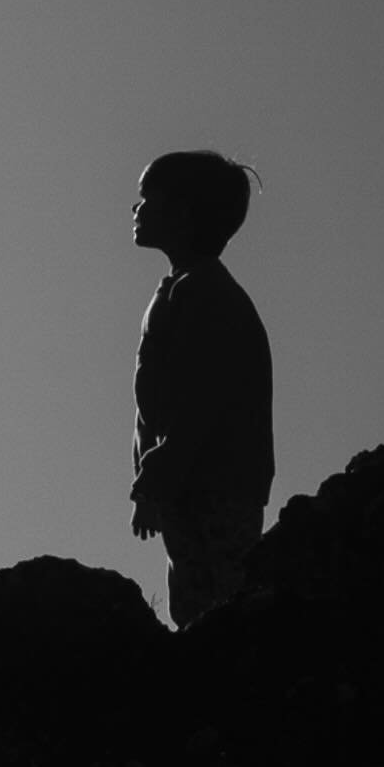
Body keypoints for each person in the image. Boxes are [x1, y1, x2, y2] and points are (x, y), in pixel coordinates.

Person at [129, 150, 274, 627]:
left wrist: (158, 470)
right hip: (184, 482)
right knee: (193, 599)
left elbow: (203, 399)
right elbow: (154, 401)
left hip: (218, 482)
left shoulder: (204, 294)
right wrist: (151, 479)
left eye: (148, 199)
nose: (137, 209)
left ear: (183, 214)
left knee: (217, 605)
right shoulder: (176, 290)